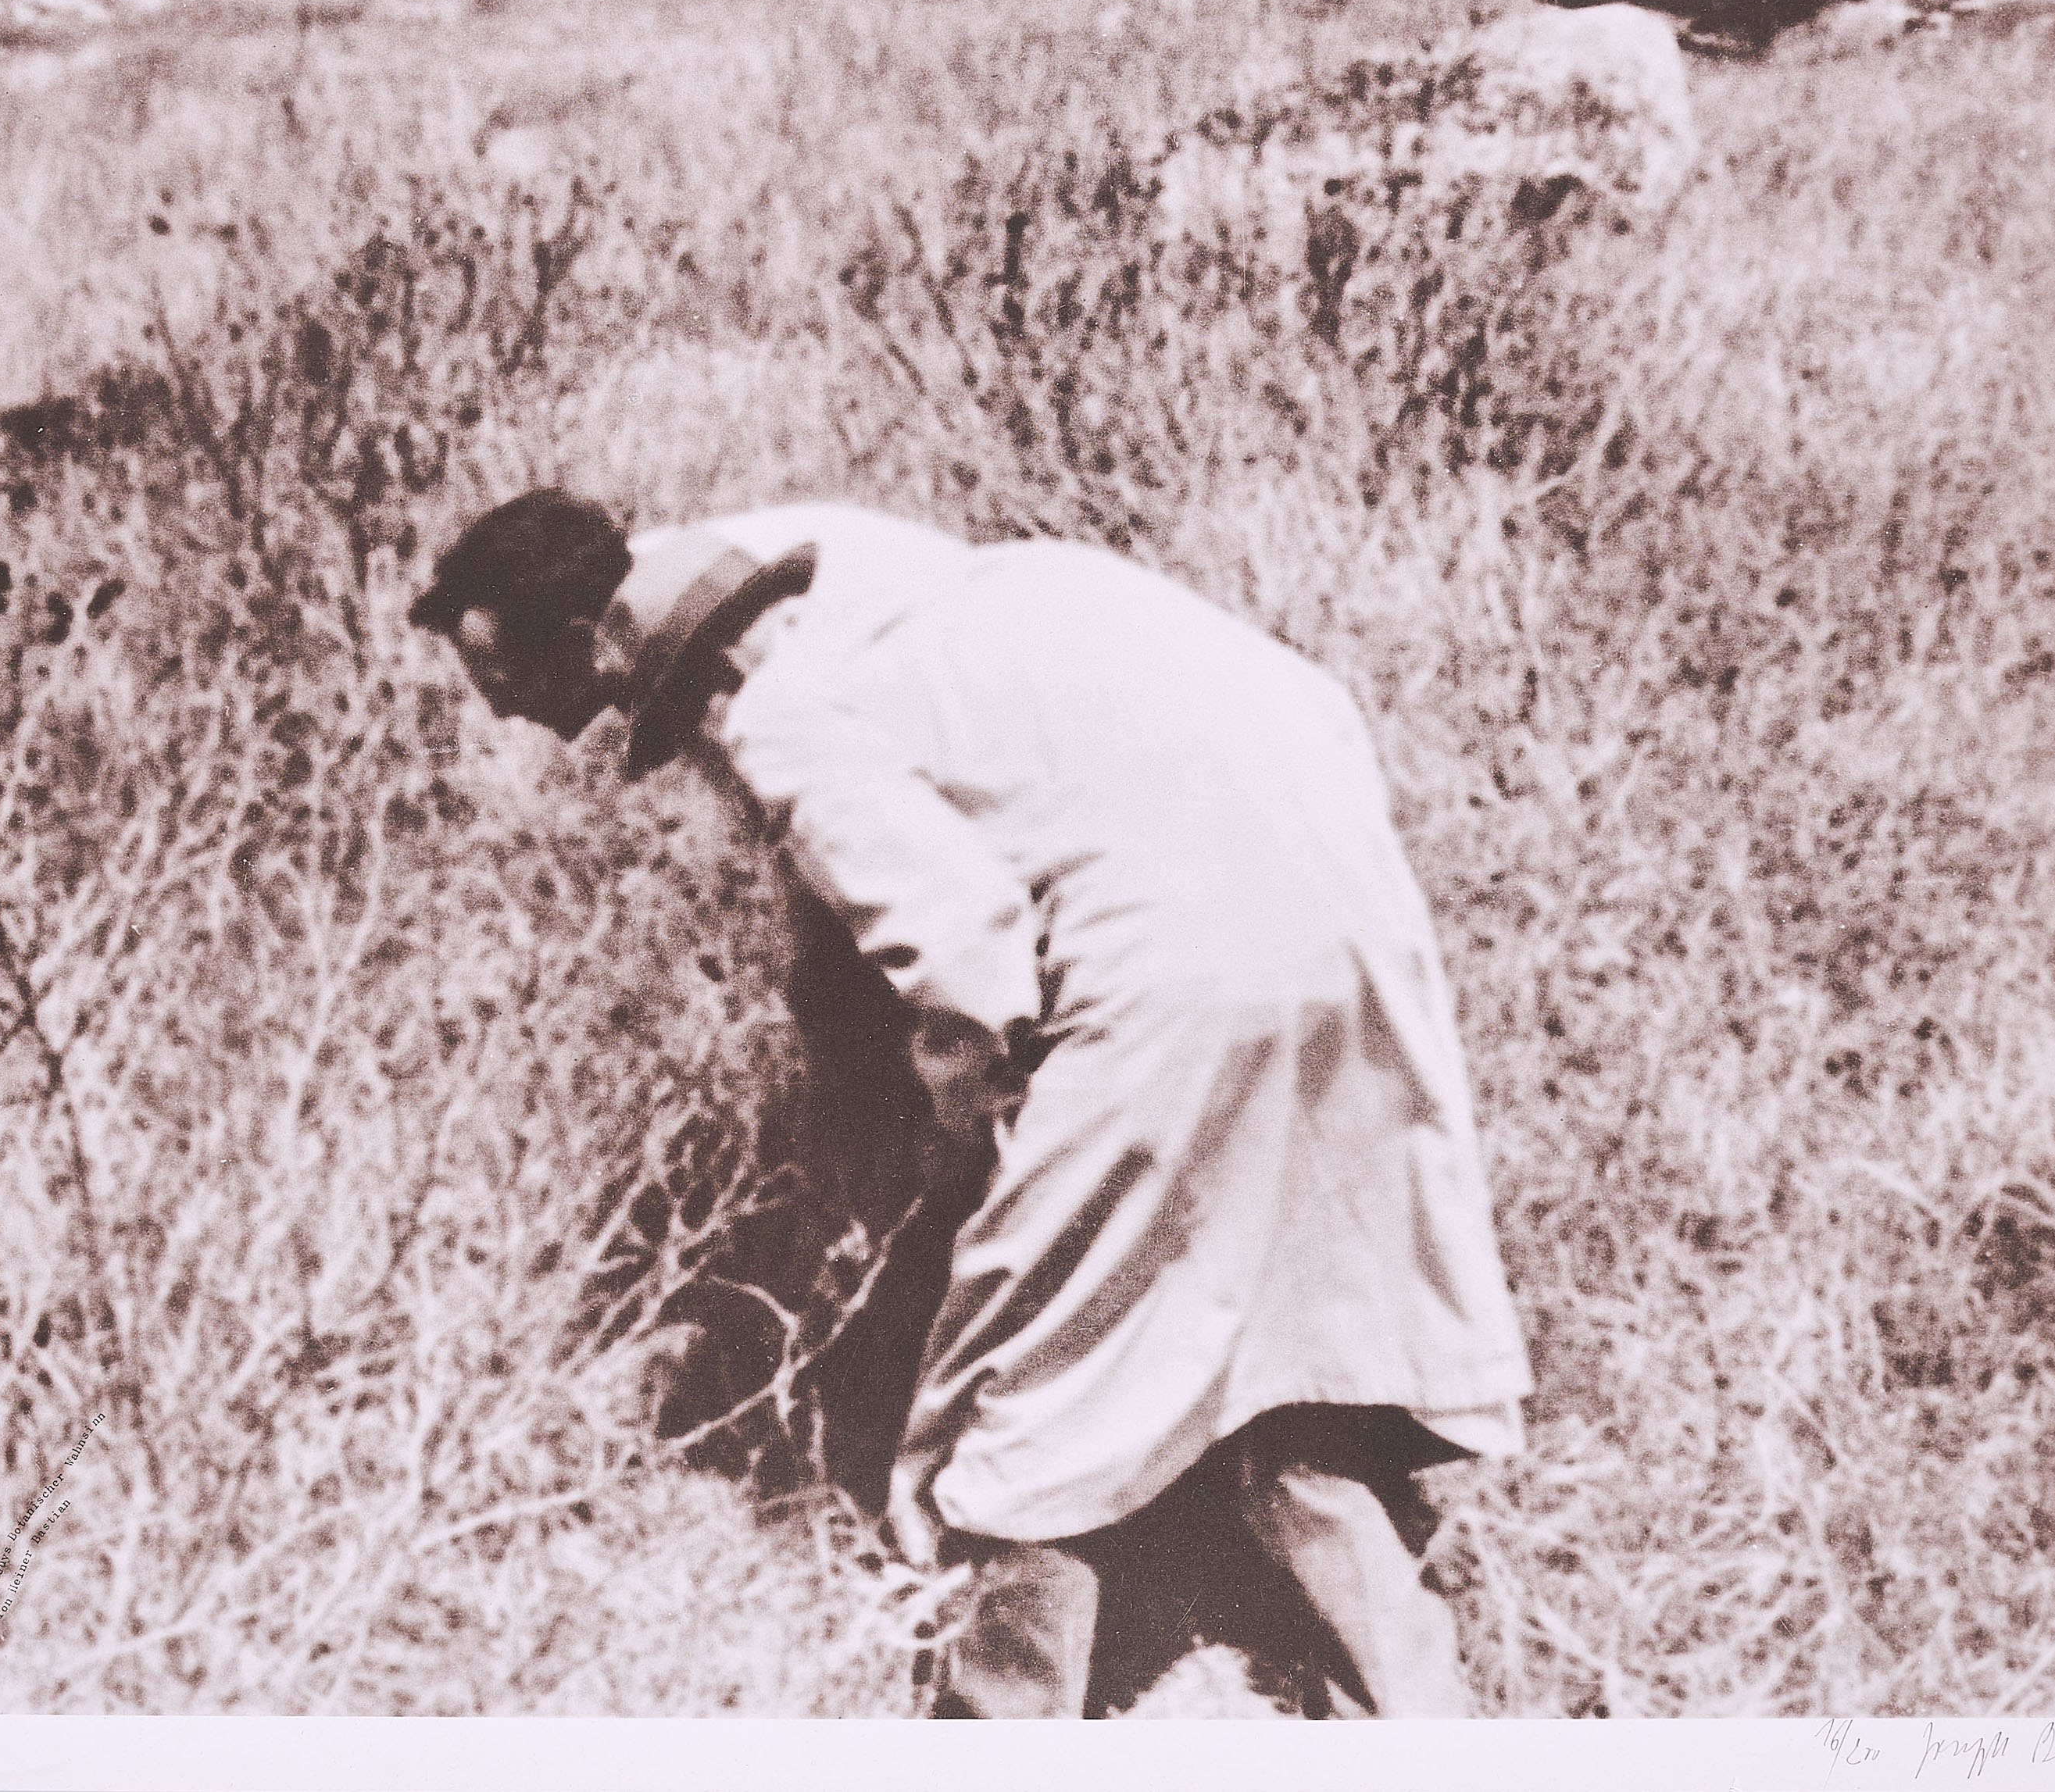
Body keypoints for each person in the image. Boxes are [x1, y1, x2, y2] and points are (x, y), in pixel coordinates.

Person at [406, 488, 1535, 1719]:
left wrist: (970, 1127)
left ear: (603, 643)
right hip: (1348, 925)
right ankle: (1421, 1712)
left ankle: (1000, 1720)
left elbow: (963, 956)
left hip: (1169, 982)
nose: (517, 720)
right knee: (1285, 1350)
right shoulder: (952, 587)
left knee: (1025, 1394)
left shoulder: (787, 709)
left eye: (522, 687)